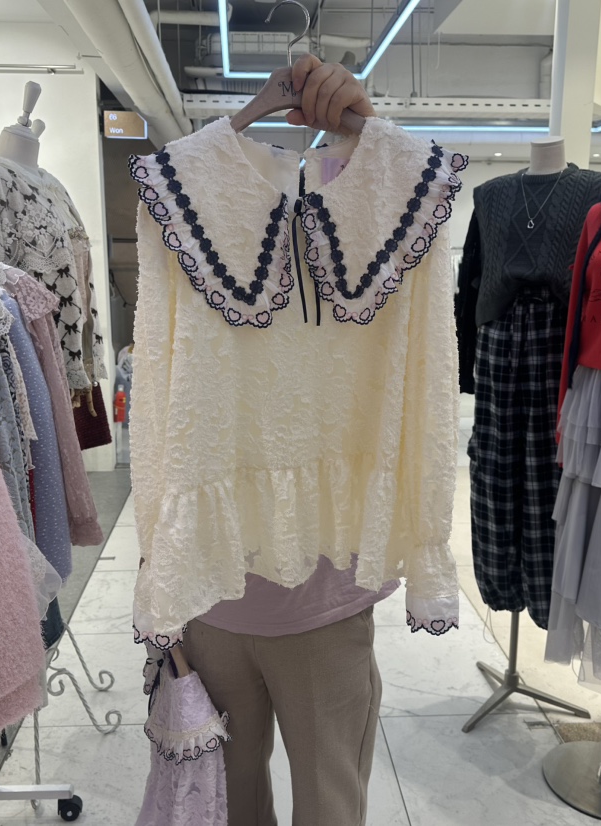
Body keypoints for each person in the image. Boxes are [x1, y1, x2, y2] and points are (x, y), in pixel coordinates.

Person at [179, 55, 390, 826]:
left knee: (312, 802)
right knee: (248, 804)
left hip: (307, 594)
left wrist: (362, 137)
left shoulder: (362, 210)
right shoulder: (183, 198)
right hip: (218, 588)